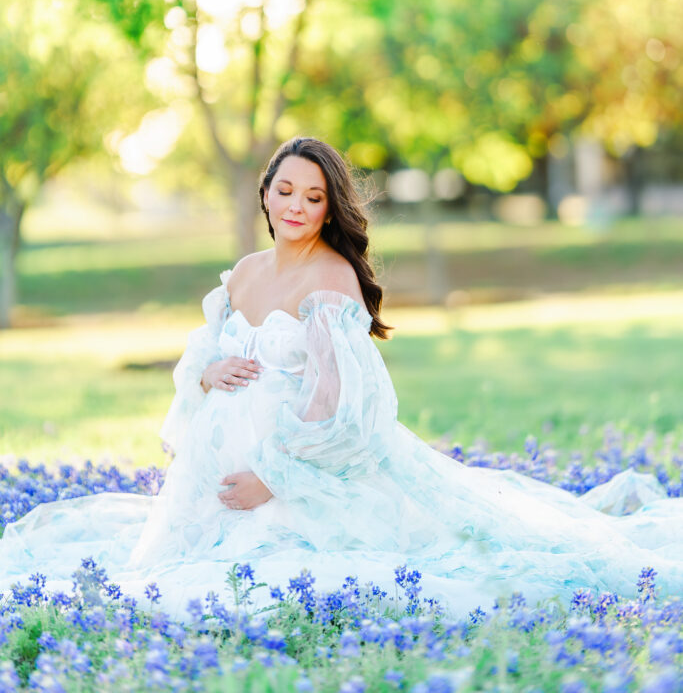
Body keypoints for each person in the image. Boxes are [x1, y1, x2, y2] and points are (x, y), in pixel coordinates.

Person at [1, 136, 682, 618]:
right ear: (265, 193)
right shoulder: (242, 271)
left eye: (314, 196)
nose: (296, 205)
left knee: (358, 574)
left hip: (301, 478)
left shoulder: (332, 279)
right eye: (285, 189)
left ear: (330, 209)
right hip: (209, 484)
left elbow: (346, 406)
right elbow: (196, 361)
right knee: (159, 581)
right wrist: (209, 371)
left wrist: (276, 475)